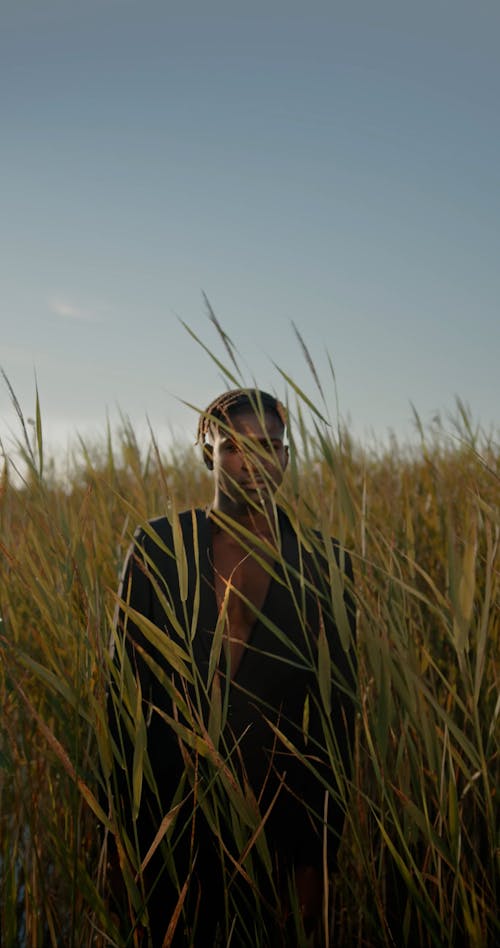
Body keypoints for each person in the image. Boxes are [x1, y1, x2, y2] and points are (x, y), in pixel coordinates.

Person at [108, 388, 356, 946]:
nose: (256, 462)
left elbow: (337, 725)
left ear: (287, 457)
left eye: (271, 446)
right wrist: (119, 846)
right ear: (208, 454)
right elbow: (121, 701)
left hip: (277, 828)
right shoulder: (158, 548)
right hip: (173, 823)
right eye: (236, 446)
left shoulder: (325, 565)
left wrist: (319, 861)